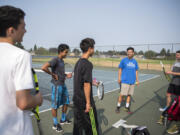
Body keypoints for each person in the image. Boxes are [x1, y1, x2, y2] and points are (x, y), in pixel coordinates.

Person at [0, 5, 43, 135]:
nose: (25, 31)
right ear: (11, 31)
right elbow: (23, 102)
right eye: (23, 26)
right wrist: (37, 99)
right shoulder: (21, 56)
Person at [41, 44, 72, 132]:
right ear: (61, 51)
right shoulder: (55, 60)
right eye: (66, 52)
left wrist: (66, 75)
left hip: (63, 85)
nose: (67, 54)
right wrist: (52, 74)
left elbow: (60, 73)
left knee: (66, 102)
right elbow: (43, 67)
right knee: (55, 105)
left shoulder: (62, 61)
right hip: (56, 86)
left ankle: (63, 119)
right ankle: (55, 124)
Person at [73, 38, 99, 135]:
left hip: (77, 100)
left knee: (78, 127)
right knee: (92, 127)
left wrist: (92, 82)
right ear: (90, 49)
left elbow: (82, 80)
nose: (94, 50)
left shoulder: (78, 62)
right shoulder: (88, 64)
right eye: (93, 48)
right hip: (84, 101)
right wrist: (88, 103)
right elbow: (86, 84)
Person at [158, 50, 180, 134]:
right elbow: (172, 72)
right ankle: (167, 108)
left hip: (179, 84)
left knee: (178, 100)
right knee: (168, 95)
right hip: (173, 82)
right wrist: (167, 72)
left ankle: (177, 114)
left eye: (178, 55)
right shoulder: (175, 63)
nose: (177, 56)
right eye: (176, 55)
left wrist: (171, 72)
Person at [116, 47, 139, 113]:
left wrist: (137, 80)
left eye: (130, 52)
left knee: (129, 95)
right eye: (128, 52)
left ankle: (127, 107)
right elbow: (120, 69)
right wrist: (119, 78)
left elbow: (136, 70)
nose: (129, 53)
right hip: (125, 81)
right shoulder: (123, 60)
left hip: (132, 81)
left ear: (133, 53)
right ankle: (118, 107)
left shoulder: (135, 61)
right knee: (122, 94)